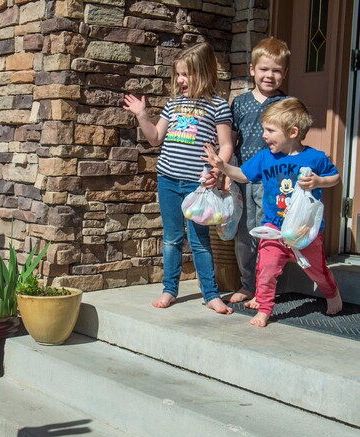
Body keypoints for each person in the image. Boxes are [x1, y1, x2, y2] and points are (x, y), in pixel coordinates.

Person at [203, 98, 343, 327]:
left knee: (317, 271)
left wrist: (319, 181)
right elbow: (243, 175)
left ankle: (331, 293)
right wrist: (221, 166)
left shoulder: (315, 158)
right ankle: (265, 309)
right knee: (266, 269)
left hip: (304, 230)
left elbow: (335, 178)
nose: (264, 135)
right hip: (273, 228)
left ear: (293, 132)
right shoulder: (265, 157)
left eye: (270, 130)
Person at [123, 42, 234, 314]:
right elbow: (154, 138)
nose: (181, 80)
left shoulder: (218, 106)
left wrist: (219, 170)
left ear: (205, 72)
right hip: (168, 180)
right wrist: (141, 116)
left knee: (199, 241)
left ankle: (211, 294)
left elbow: (227, 145)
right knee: (172, 238)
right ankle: (169, 290)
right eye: (178, 75)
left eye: (187, 74)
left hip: (198, 186)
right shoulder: (173, 104)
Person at [229, 37, 290, 305]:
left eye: (277, 70)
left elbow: (294, 143)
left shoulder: (287, 104)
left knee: (271, 232)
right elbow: (230, 140)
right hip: (244, 177)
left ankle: (269, 286)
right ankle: (247, 284)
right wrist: (224, 173)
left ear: (284, 73)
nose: (270, 75)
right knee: (245, 233)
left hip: (274, 181)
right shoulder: (240, 103)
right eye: (264, 69)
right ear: (252, 69)